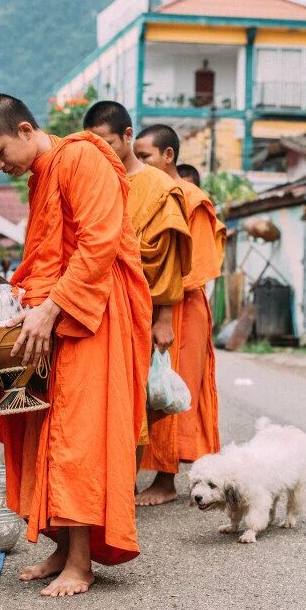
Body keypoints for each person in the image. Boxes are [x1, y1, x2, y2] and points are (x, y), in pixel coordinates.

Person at [0, 93, 152, 597]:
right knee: (46, 426)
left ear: (26, 129)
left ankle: (82, 562)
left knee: (78, 434)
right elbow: (47, 254)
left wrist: (51, 309)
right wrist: (22, 304)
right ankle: (61, 544)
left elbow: (98, 242)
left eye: (0, 150)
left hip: (96, 313)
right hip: (57, 313)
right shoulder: (43, 177)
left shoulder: (83, 157)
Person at [83, 100, 192, 467]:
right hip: (95, 306)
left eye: (107, 142)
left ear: (128, 136)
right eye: (93, 145)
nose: (101, 152)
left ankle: (123, 484)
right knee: (96, 398)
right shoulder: (92, 182)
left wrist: (163, 319)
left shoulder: (159, 187)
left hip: (139, 309)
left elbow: (170, 259)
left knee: (133, 398)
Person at [132, 124, 226, 506]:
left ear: (168, 156)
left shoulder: (191, 198)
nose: (137, 162)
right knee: (147, 387)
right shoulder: (144, 190)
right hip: (150, 303)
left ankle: (166, 481)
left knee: (171, 386)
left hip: (181, 306)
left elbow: (198, 265)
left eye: (145, 156)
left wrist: (164, 311)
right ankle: (138, 473)